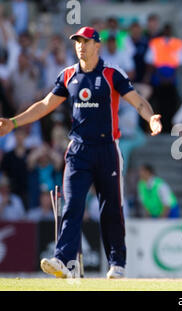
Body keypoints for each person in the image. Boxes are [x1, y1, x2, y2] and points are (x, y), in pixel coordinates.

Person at [0, 26, 162, 279]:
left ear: (97, 45)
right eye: (77, 42)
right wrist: (14, 122)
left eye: (86, 42)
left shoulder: (112, 74)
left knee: (110, 208)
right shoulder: (67, 76)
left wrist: (151, 119)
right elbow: (44, 105)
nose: (81, 46)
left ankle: (117, 263)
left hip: (108, 148)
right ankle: (64, 259)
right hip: (78, 150)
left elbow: (138, 101)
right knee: (72, 204)